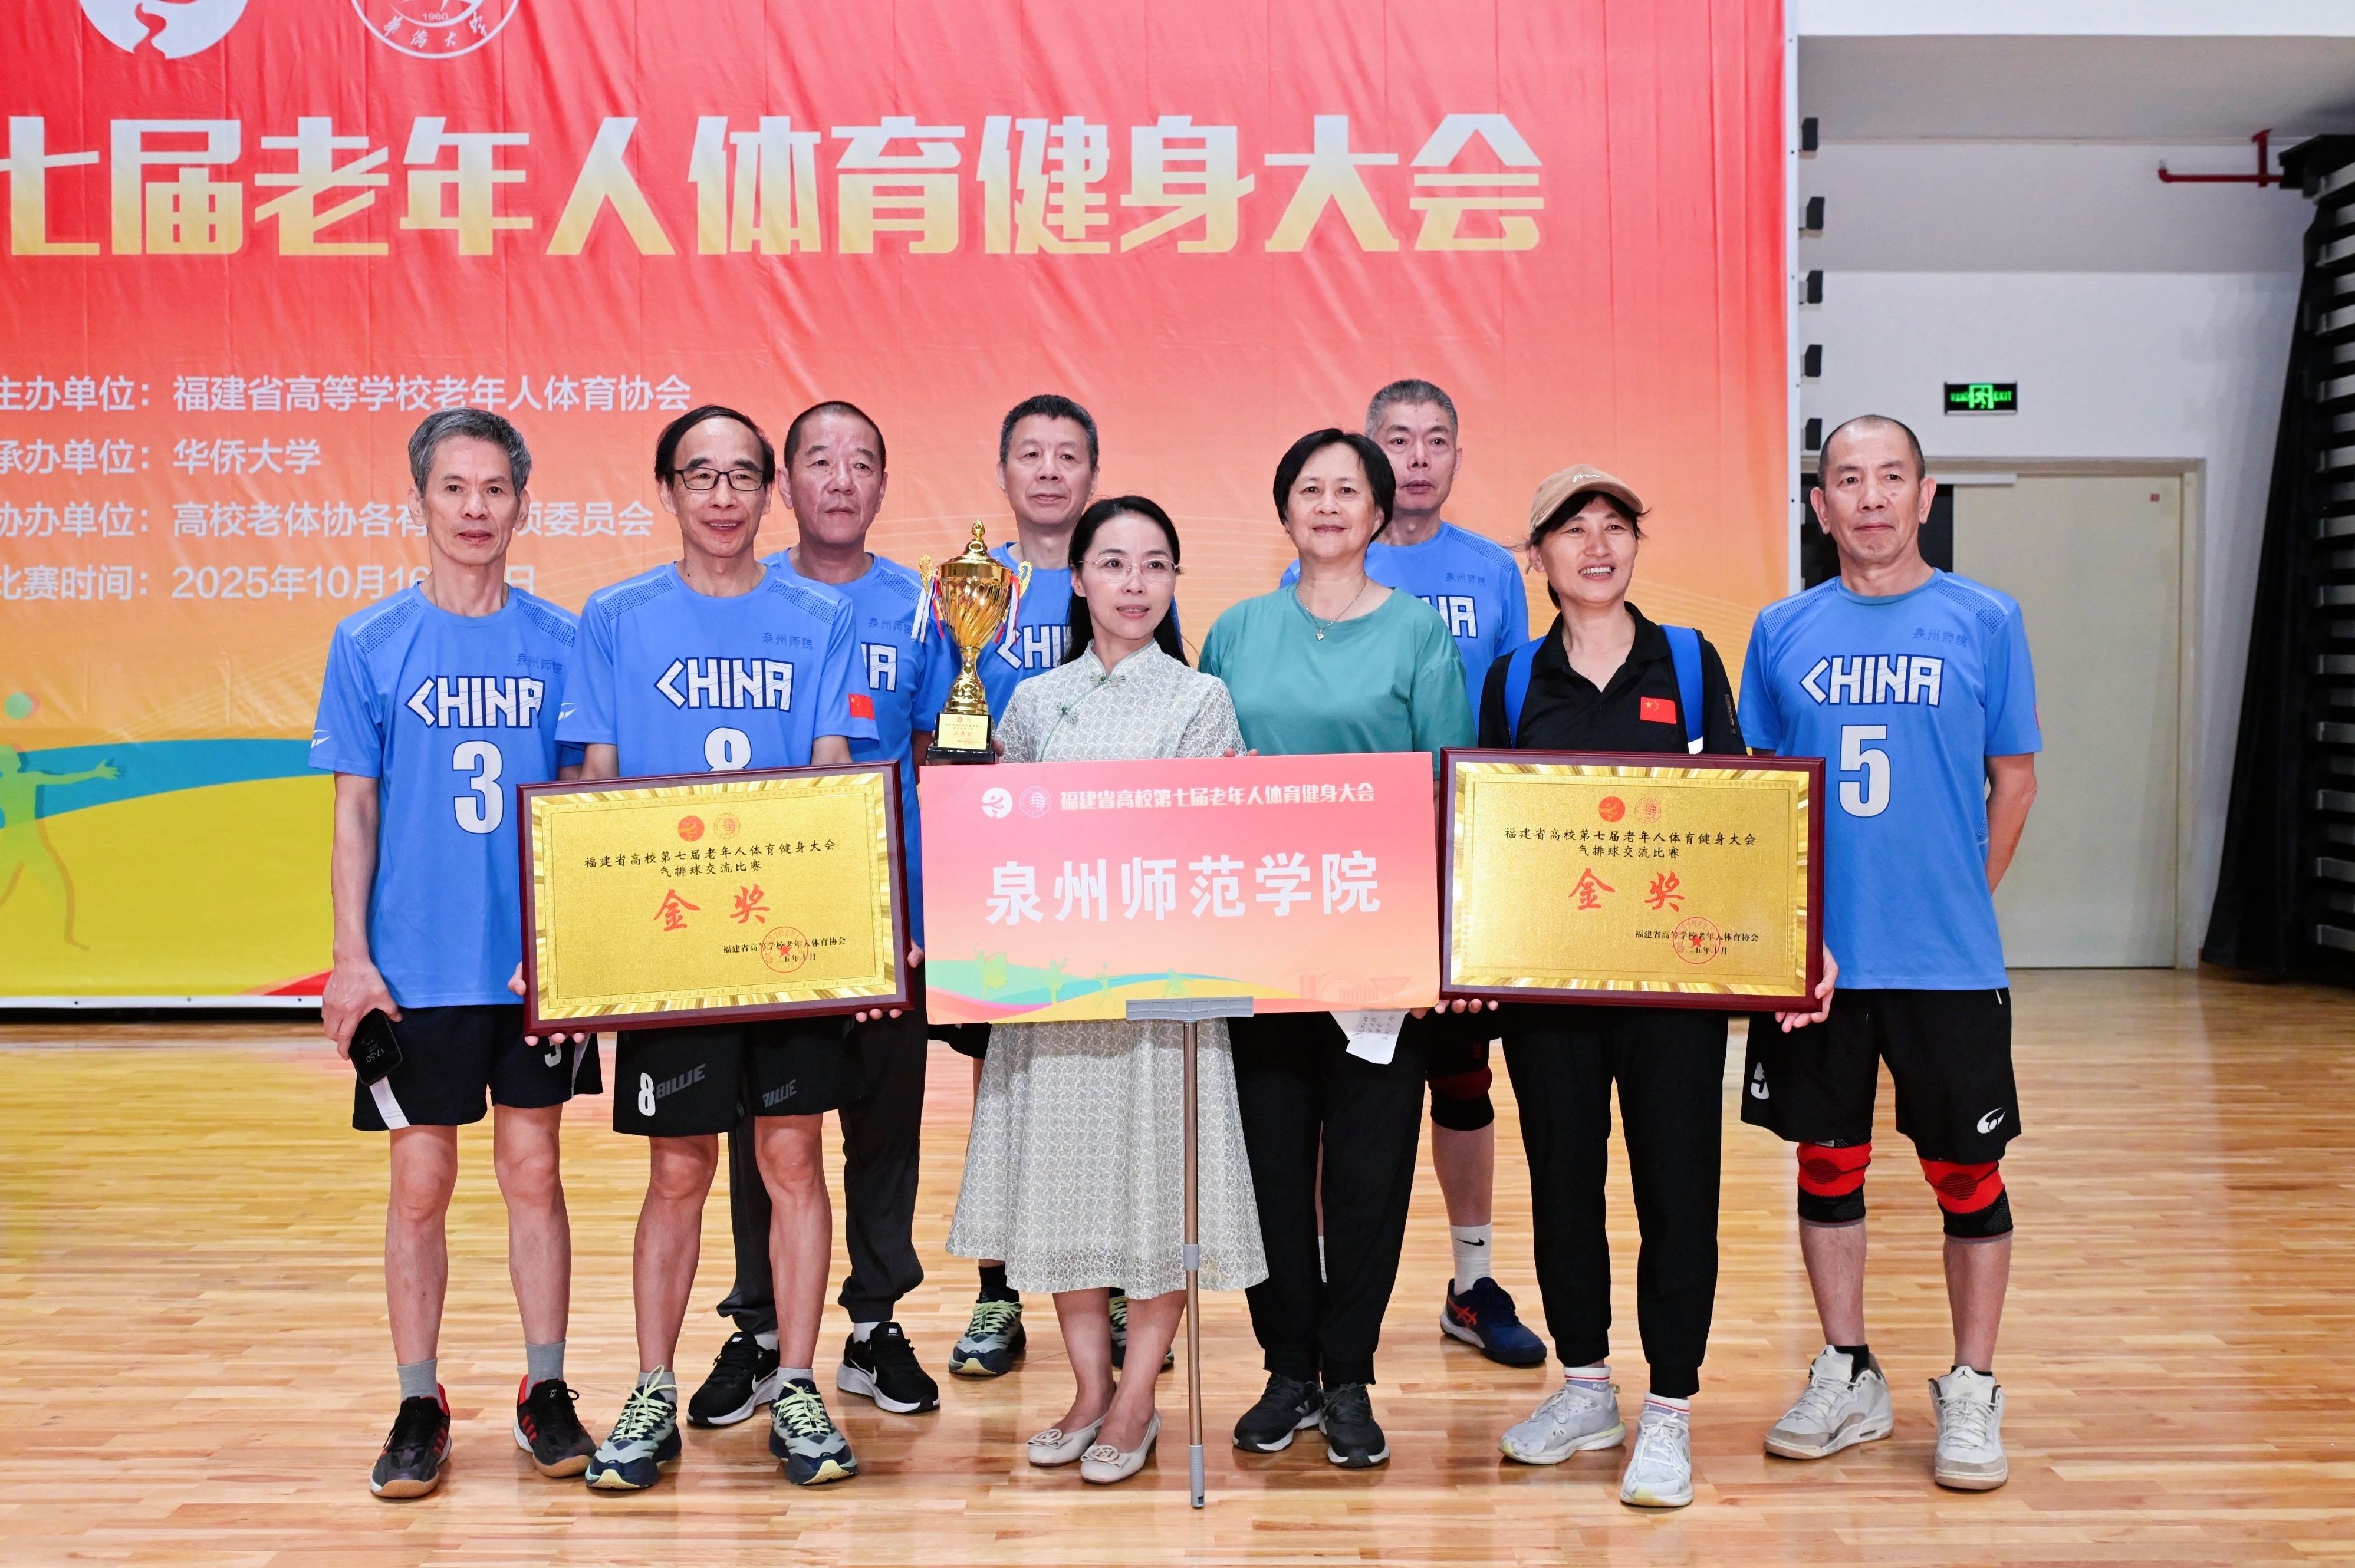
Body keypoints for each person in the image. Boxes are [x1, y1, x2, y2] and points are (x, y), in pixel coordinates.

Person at [1476, 465, 1834, 1508]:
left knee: (1678, 1191)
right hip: (1548, 992)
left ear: (1636, 544)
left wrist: (1786, 940)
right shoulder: (1509, 680)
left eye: (1615, 527)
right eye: (1572, 530)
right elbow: (1484, 831)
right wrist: (1471, 956)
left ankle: (1669, 1407)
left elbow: (1739, 815)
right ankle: (1586, 1387)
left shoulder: (1686, 658)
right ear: (1535, 556)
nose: (1596, 546)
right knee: (1563, 1185)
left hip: (1674, 987)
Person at [557, 405, 873, 1491]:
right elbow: (595, 786)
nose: (724, 496)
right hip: (671, 946)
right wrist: (589, 948)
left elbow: (831, 776)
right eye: (701, 476)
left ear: (769, 492)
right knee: (678, 1169)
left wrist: (853, 939)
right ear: (669, 490)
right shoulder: (615, 617)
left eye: (743, 476)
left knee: (792, 1160)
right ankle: (651, 1388)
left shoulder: (821, 614)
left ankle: (799, 1383)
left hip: (785, 941)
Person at [1739, 414, 2039, 1493]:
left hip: (1948, 964)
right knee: (1827, 1162)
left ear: (1923, 496)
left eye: (1890, 477)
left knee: (1965, 1172)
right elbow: (1759, 799)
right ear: (1818, 507)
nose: (1869, 497)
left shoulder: (1985, 619)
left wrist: (1953, 898)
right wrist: (1789, 930)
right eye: (1846, 480)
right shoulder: (1780, 629)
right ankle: (1848, 1369)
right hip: (1818, 965)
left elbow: (2014, 780)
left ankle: (1972, 1384)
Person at [946, 495, 1266, 1485]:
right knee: (1063, 1192)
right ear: (1078, 579)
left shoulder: (1200, 698)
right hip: (1056, 995)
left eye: (1155, 564)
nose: (1135, 584)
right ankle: (1088, 1390)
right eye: (1114, 563)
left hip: (1160, 990)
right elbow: (1000, 847)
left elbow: (1203, 850)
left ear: (1174, 582)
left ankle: (1137, 1398)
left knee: (1159, 1190)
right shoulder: (1032, 701)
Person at [311, 409, 598, 1498]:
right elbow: (354, 811)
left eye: (495, 490)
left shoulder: (563, 642)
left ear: (521, 504)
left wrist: (573, 943)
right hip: (415, 970)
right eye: (454, 488)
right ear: (420, 500)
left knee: (535, 1173)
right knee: (420, 1183)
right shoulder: (370, 642)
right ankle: (417, 1401)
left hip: (528, 967)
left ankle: (545, 1387)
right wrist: (352, 959)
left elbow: (584, 802)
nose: (476, 509)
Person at [1199, 429, 1475, 1469]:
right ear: (1284, 511)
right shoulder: (1235, 631)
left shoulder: (1417, 633)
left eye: (1346, 490)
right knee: (1270, 1167)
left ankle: (1348, 1373)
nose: (1327, 505)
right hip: (1257, 946)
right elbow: (1201, 781)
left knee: (1367, 1171)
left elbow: (1450, 789)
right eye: (1308, 489)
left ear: (1377, 514)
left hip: (1378, 944)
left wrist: (1442, 947)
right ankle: (1287, 1369)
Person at [686, 401, 953, 1429]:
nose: (841, 481)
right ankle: (759, 1329)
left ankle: (875, 1323)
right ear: (783, 484)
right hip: (767, 912)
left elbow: (935, 752)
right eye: (819, 462)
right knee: (767, 1131)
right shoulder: (744, 597)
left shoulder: (925, 608)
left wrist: (924, 900)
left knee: (884, 1128)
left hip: (891, 914)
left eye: (862, 463)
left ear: (883, 484)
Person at [1277, 378, 1538, 1367]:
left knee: (1462, 1085)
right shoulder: (1319, 566)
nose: (1418, 457)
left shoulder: (1493, 571)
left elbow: (1504, 721)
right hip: (1331, 888)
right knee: (1321, 1100)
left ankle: (1471, 1283)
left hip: (1447, 870)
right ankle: (1314, 1302)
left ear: (1457, 457)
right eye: (1398, 440)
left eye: (1436, 440)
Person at [946, 393, 1175, 1382]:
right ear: (1003, 471)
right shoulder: (965, 587)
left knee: (1119, 1100)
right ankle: (1000, 1289)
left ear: (1091, 473)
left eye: (1067, 455)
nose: (1047, 470)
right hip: (1016, 905)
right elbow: (945, 732)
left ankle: (1119, 1285)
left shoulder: (1152, 624)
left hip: (1128, 917)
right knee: (1011, 1094)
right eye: (1029, 454)